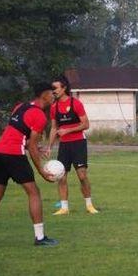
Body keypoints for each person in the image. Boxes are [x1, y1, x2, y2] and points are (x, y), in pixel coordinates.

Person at [0, 83, 59, 246]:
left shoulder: (20, 106)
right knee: (34, 192)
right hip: (14, 154)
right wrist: (43, 173)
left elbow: (19, 133)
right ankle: (40, 237)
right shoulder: (40, 116)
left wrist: (33, 146)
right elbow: (30, 146)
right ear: (43, 95)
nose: (54, 96)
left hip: (0, 151)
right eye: (51, 93)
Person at [47, 74, 98, 215]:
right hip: (64, 146)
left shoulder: (75, 103)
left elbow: (86, 124)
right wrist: (49, 146)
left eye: (55, 88)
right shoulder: (53, 108)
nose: (53, 91)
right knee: (61, 176)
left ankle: (89, 205)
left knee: (82, 176)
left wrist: (68, 130)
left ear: (64, 88)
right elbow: (53, 128)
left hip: (79, 143)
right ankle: (64, 208)